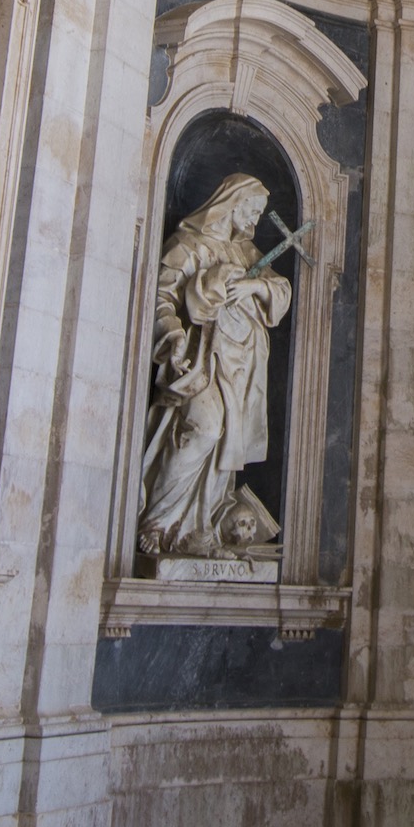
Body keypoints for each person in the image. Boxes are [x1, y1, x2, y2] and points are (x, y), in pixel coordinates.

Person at [138, 173, 292, 559]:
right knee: (204, 429)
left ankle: (199, 529)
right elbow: (160, 297)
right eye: (253, 210)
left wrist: (254, 287)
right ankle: (157, 521)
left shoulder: (246, 253)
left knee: (227, 441)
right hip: (200, 359)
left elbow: (280, 289)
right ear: (232, 204)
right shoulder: (188, 245)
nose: (256, 220)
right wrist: (173, 337)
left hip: (240, 368)